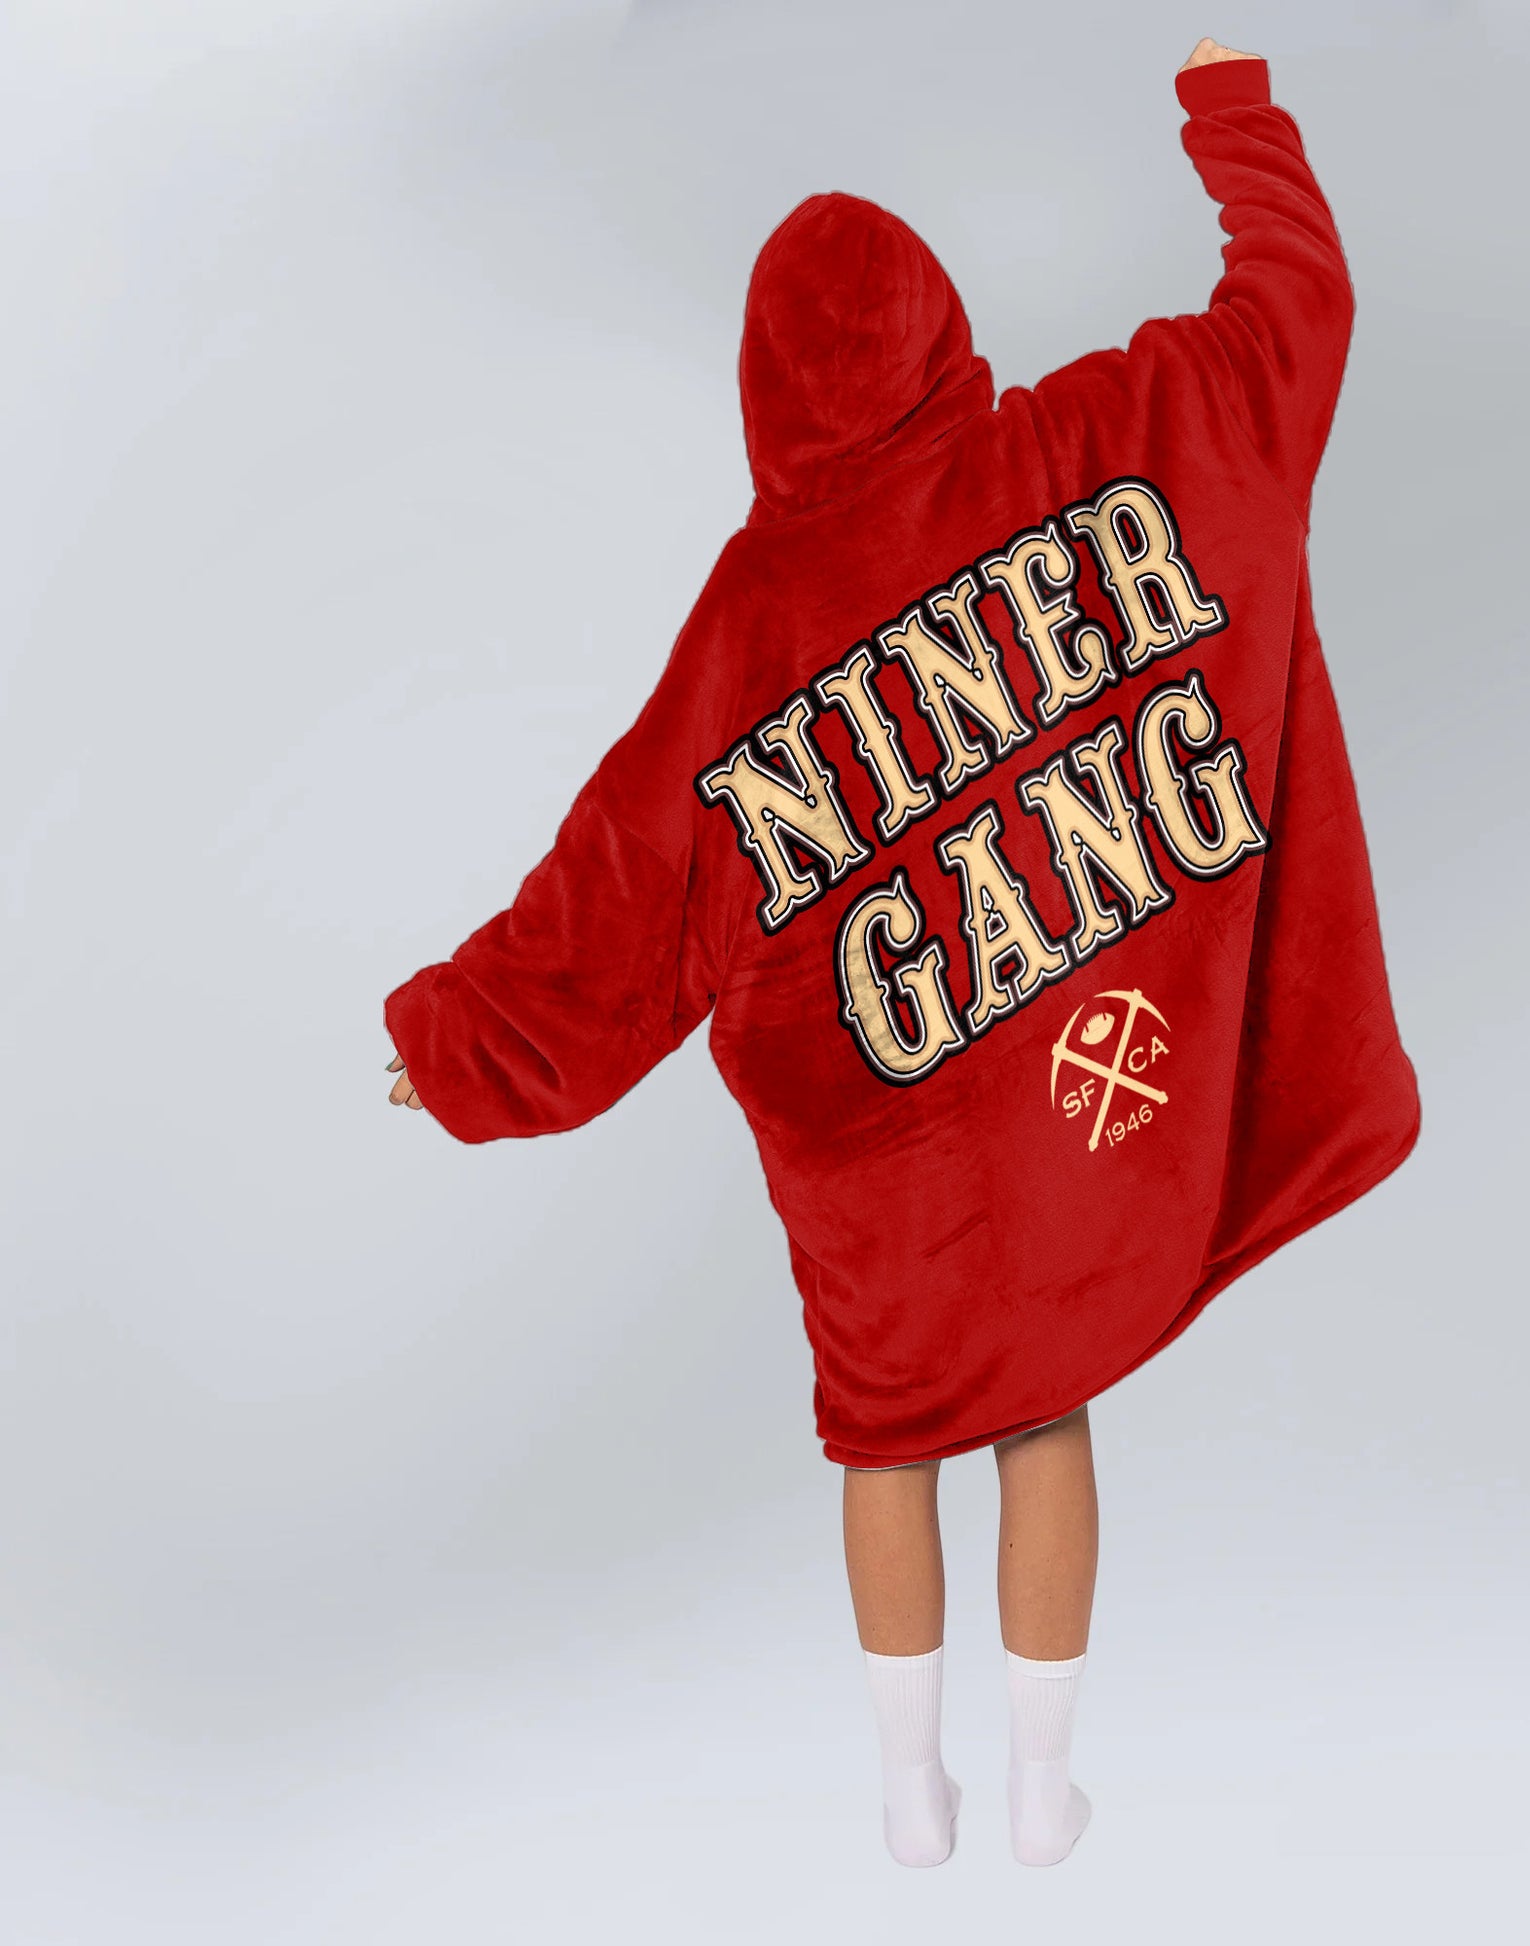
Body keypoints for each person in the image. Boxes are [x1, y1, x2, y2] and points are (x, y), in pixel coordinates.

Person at [382, 36, 1420, 1868]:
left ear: (763, 397)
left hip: (894, 1169)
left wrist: (459, 1046)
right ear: (941, 328)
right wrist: (1228, 102)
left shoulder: (751, 616)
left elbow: (621, 878)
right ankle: (1039, 1790)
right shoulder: (1107, 444)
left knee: (887, 1435)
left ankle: (905, 1792)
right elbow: (1291, 309)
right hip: (1079, 1123)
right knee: (1043, 1405)